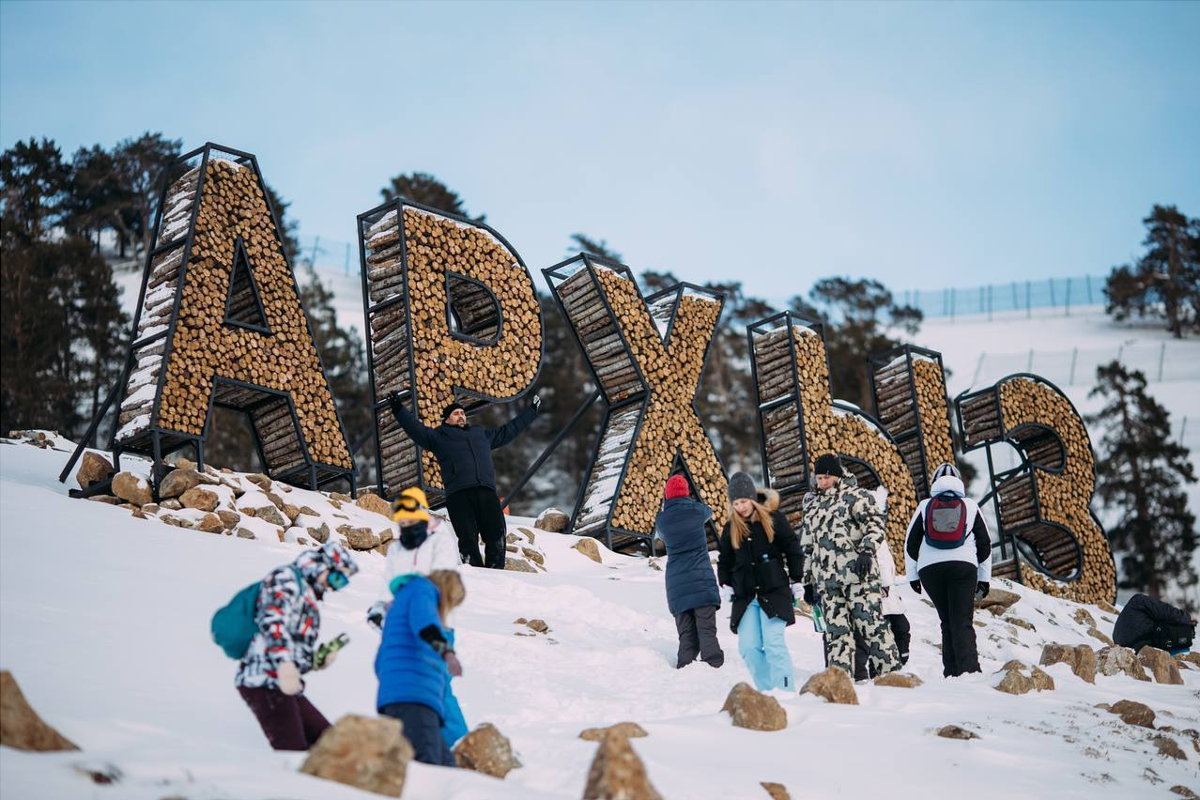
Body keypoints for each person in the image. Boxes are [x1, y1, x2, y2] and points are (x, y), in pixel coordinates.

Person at [387, 392, 541, 569]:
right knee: (467, 538)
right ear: (446, 419)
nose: (461, 416)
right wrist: (398, 409)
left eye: (462, 413)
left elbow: (508, 430)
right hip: (459, 494)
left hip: (486, 491)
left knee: (497, 533)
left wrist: (531, 412)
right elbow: (415, 429)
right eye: (456, 413)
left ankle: (497, 574)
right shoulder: (439, 437)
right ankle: (474, 573)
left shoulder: (481, 434)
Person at [367, 487, 467, 748]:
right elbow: (389, 582)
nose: (406, 527)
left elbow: (444, 580)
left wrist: (414, 596)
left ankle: (456, 740)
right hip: (403, 626)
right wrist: (379, 607)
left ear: (422, 515)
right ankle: (425, 739)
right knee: (412, 679)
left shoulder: (439, 541)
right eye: (402, 523)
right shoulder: (397, 549)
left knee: (437, 681)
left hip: (436, 621)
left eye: (411, 522)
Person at [235, 541, 359, 751]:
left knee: (328, 743)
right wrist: (284, 664)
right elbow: (271, 621)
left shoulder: (308, 593)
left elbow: (293, 643)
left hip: (285, 682)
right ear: (322, 566)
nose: (333, 587)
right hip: (264, 680)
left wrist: (315, 660)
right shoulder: (287, 579)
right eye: (336, 578)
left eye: (341, 584)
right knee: (293, 751)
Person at [800, 454, 900, 679]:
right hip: (828, 582)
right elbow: (807, 546)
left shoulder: (856, 497)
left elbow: (875, 525)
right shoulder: (813, 506)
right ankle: (840, 683)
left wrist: (866, 551)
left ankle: (894, 677)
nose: (822, 482)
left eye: (827, 477)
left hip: (859, 578)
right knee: (836, 635)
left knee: (873, 628)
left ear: (836, 476)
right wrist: (808, 581)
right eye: (819, 478)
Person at [717, 471, 804, 692]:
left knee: (774, 644)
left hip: (773, 591)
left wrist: (797, 579)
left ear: (753, 499)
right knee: (749, 647)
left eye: (744, 501)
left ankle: (784, 692)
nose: (741, 507)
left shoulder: (773, 519)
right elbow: (724, 559)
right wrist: (725, 582)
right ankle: (767, 692)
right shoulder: (731, 527)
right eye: (736, 503)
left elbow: (793, 549)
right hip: (745, 596)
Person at [903, 462, 992, 677]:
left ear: (934, 482)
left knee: (947, 621)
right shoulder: (970, 505)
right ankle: (969, 671)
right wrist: (983, 578)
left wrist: (913, 577)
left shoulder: (925, 505)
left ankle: (951, 672)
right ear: (959, 482)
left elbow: (910, 544)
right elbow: (985, 544)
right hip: (963, 567)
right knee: (962, 620)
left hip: (930, 570)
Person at [376, 570, 466, 766]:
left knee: (445, 765)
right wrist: (447, 653)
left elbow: (379, 662)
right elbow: (425, 622)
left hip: (394, 698)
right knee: (429, 766)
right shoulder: (422, 590)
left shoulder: (399, 604)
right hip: (416, 697)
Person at [654, 474, 724, 669]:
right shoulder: (696, 511)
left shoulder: (662, 520)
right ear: (686, 493)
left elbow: (660, 536)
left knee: (686, 633)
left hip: (677, 584)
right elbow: (709, 511)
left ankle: (685, 665)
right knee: (706, 629)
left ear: (666, 495)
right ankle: (714, 663)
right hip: (700, 577)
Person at [1112, 594, 1197, 655]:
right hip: (1144, 642)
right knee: (1181, 637)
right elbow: (1166, 611)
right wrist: (1187, 618)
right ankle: (1181, 655)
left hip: (1127, 644)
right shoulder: (1139, 600)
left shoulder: (1134, 606)